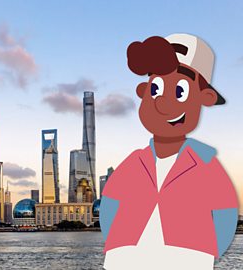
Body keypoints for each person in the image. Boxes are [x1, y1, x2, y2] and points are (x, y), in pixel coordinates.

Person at [100, 34, 238, 270]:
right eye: (155, 89)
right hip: (124, 259)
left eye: (180, 91)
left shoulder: (205, 163)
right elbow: (109, 207)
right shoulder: (135, 161)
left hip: (185, 259)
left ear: (205, 98)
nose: (162, 103)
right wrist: (119, 242)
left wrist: (203, 251)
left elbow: (226, 214)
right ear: (144, 92)